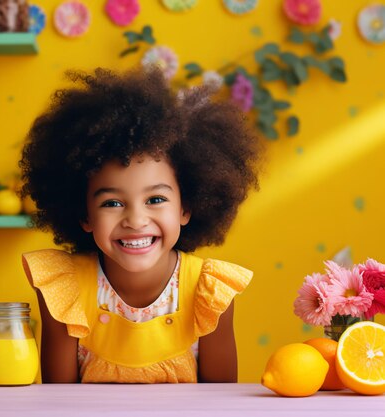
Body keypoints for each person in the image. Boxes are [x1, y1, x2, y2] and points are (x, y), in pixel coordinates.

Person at [19, 68, 263, 383]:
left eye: (156, 200)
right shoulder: (65, 289)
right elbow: (59, 401)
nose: (135, 220)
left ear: (186, 207)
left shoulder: (209, 291)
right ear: (84, 215)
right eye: (112, 203)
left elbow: (218, 403)